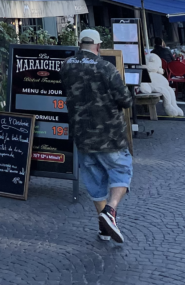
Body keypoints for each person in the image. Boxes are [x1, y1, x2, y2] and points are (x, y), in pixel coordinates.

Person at [60, 29, 133, 244]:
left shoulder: (66, 66)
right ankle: (110, 211)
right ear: (98, 47)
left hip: (82, 134)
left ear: (79, 44)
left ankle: (104, 228)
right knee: (122, 170)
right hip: (109, 134)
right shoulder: (106, 67)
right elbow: (125, 100)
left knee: (95, 182)